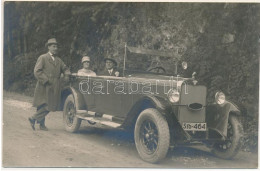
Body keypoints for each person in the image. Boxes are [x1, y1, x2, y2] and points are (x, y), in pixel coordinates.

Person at [28, 38, 70, 131]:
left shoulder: (59, 60)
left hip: (54, 86)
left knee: (50, 105)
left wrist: (67, 75)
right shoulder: (43, 57)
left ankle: (37, 121)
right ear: (49, 47)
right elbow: (37, 71)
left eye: (56, 46)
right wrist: (46, 80)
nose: (56, 48)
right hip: (44, 85)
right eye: (53, 46)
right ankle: (36, 120)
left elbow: (65, 68)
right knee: (44, 105)